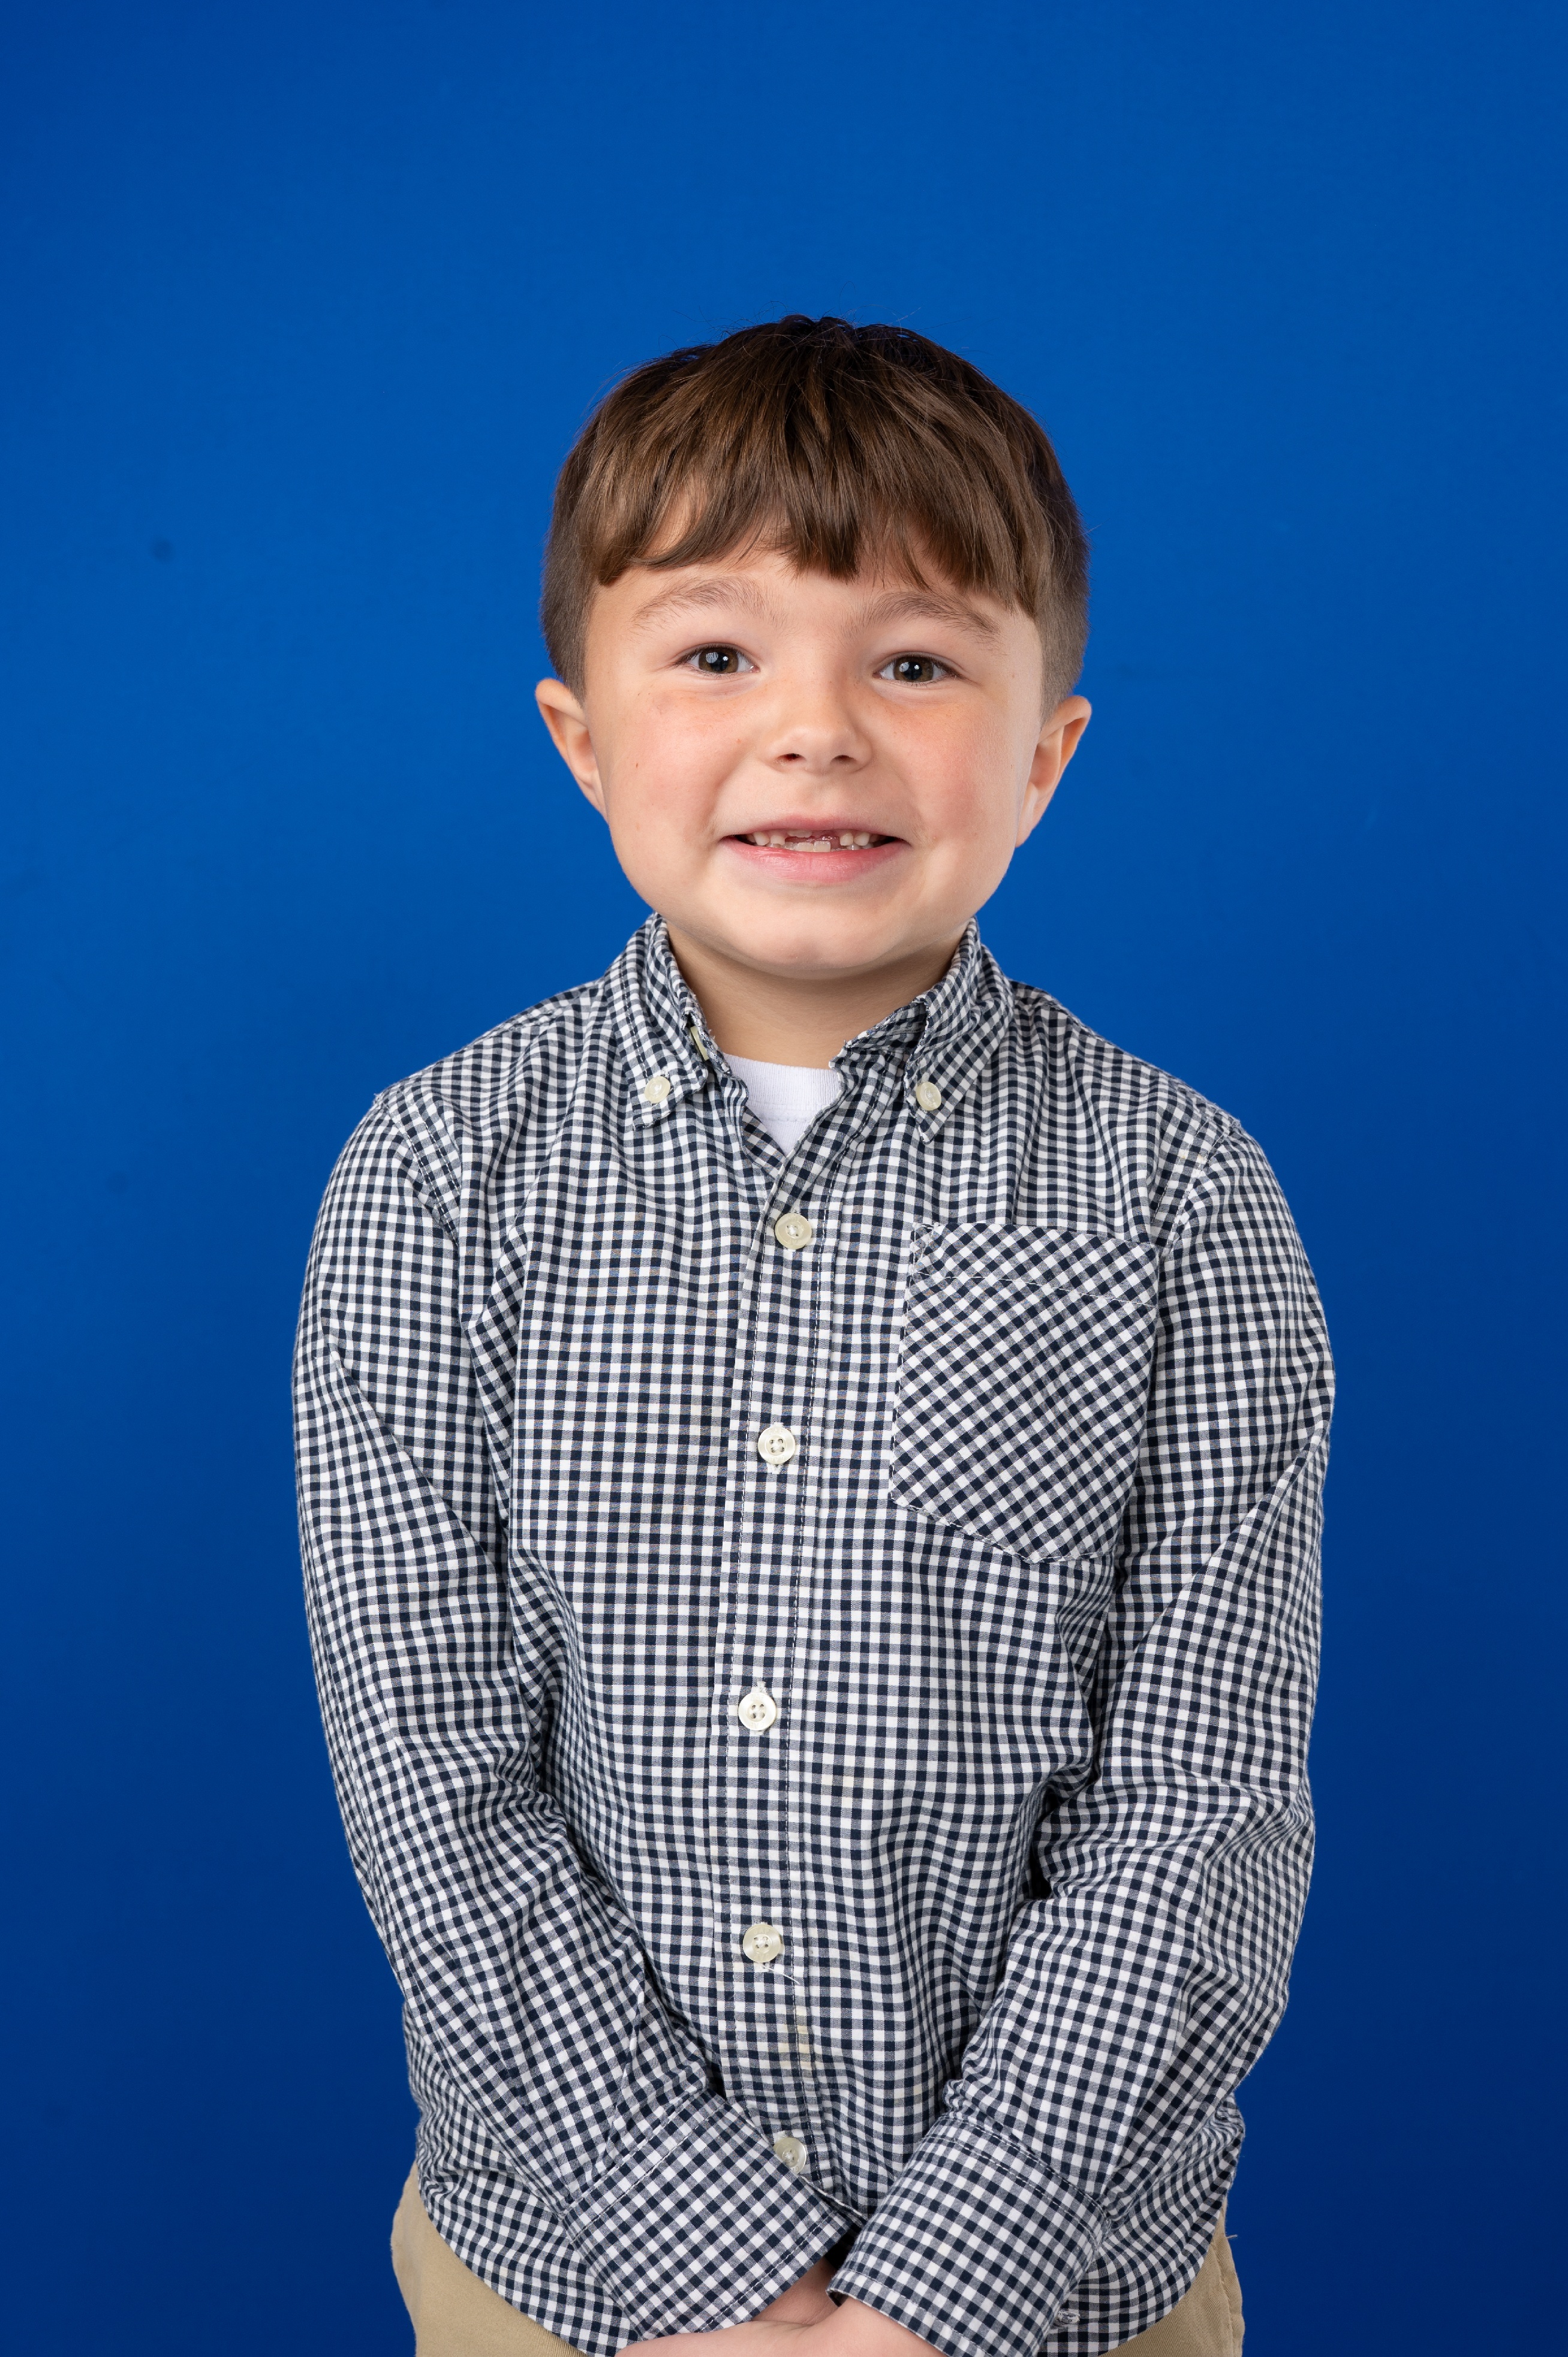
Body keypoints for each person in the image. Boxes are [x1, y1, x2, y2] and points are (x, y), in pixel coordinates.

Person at [294, 315, 1329, 2357]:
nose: (818, 731)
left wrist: (933, 2295)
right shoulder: (434, 1177)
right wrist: (715, 2265)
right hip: (573, 2278)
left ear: (1047, 752)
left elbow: (1201, 1799)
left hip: (1060, 2293)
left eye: (916, 663)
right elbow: (431, 1764)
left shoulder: (1185, 1203)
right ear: (582, 737)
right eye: (715, 653)